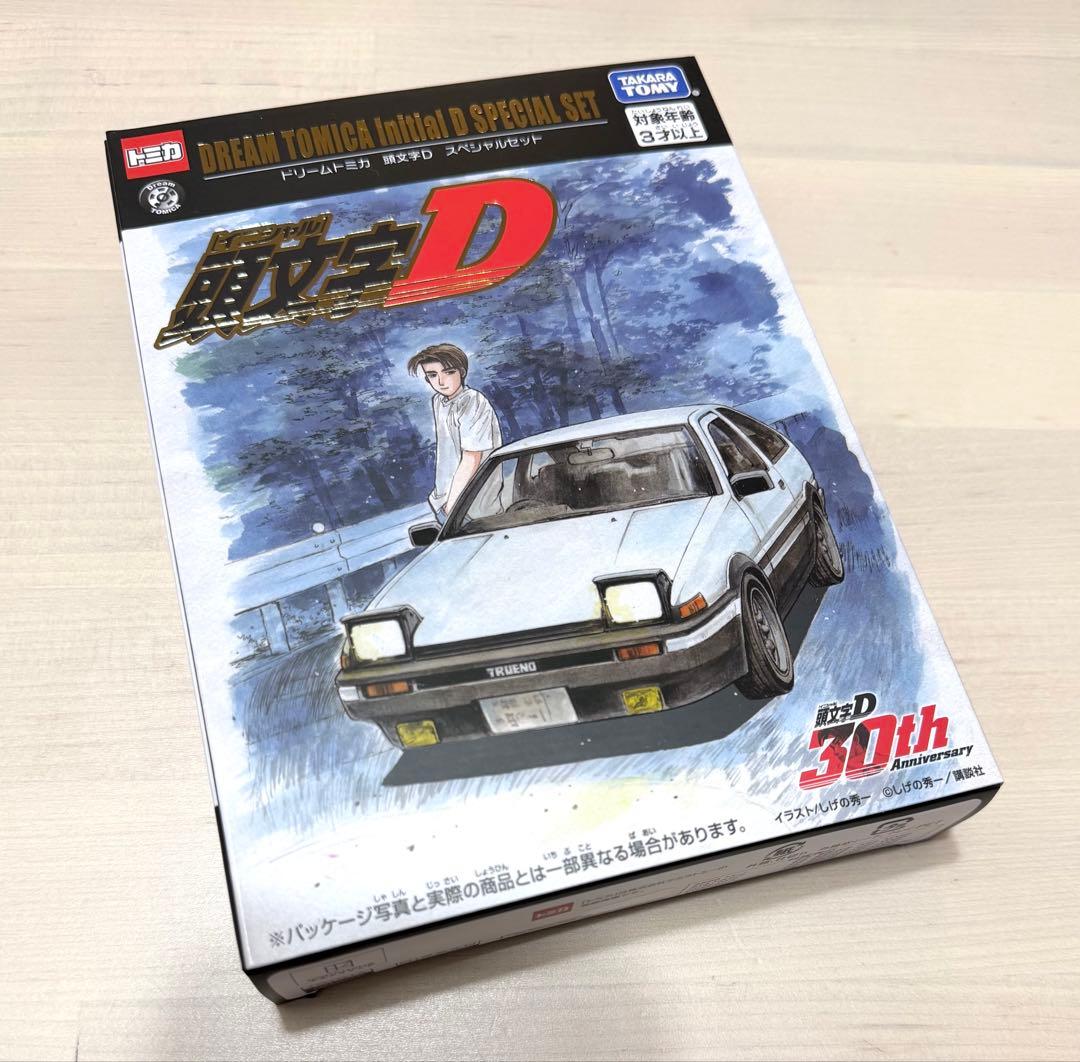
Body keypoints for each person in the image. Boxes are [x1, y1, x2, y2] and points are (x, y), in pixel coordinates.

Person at [407, 343, 502, 522]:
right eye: (432, 375)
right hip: (446, 500)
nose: (441, 381)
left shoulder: (473, 401)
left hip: (473, 503)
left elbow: (472, 458)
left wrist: (451, 508)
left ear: (462, 372)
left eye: (449, 372)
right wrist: (442, 502)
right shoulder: (438, 401)